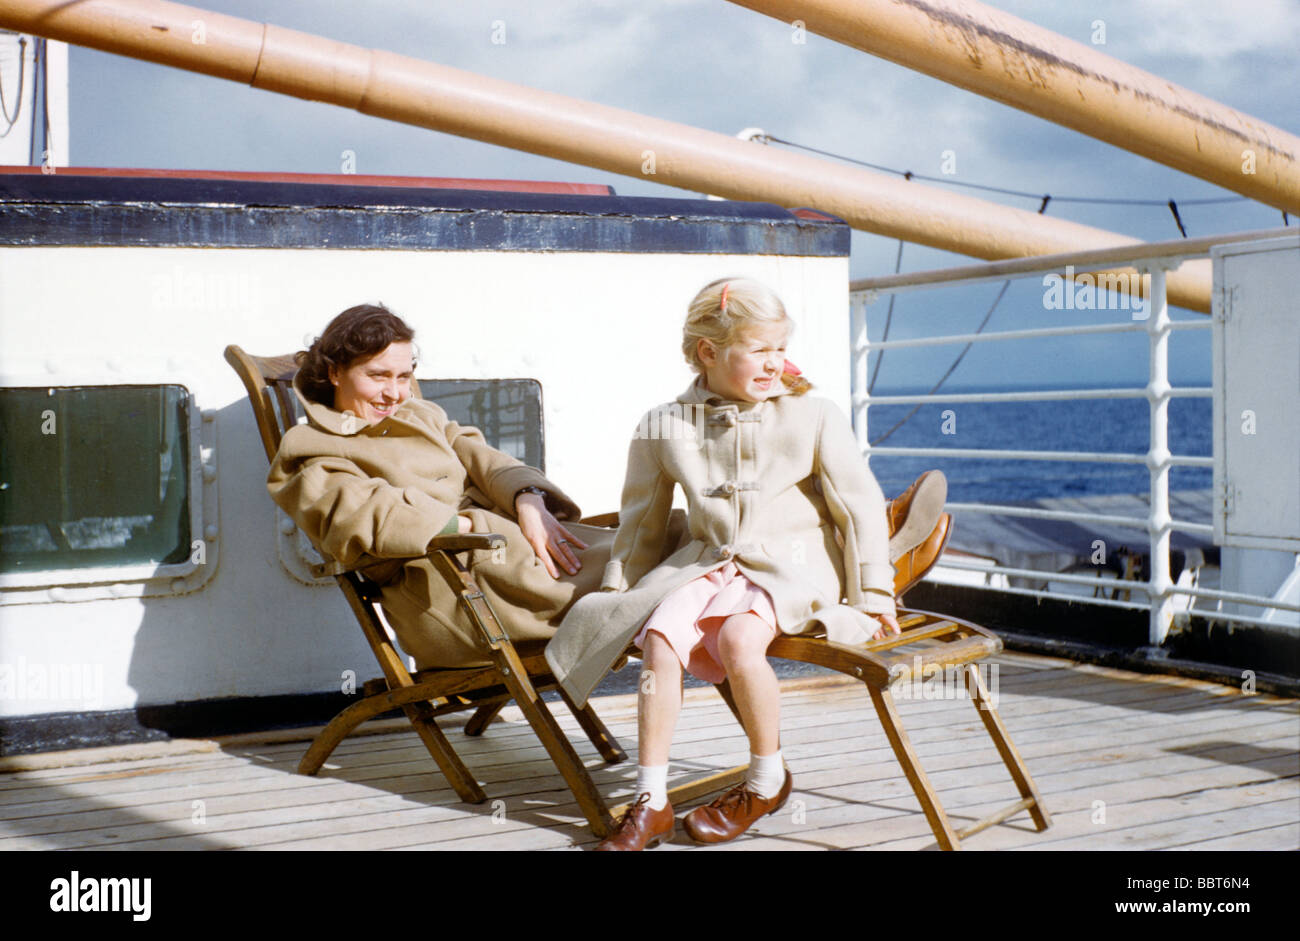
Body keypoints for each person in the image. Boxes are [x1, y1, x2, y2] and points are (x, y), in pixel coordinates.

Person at [545, 277, 942, 851]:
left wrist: (875, 596)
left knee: (738, 640)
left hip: (796, 568)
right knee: (658, 636)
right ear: (709, 352)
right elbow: (641, 523)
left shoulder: (812, 416)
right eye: (760, 350)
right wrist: (616, 592)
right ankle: (651, 801)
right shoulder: (663, 425)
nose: (775, 363)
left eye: (780, 349)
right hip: (709, 564)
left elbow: (856, 511)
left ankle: (765, 781)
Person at [266, 303, 615, 669]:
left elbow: (481, 456)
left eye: (403, 377)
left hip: (508, 562)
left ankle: (641, 618)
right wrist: (472, 527)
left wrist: (529, 499)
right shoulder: (309, 447)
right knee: (645, 577)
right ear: (335, 372)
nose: (394, 393)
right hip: (460, 598)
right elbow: (367, 516)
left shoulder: (421, 414)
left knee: (664, 535)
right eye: (378, 376)